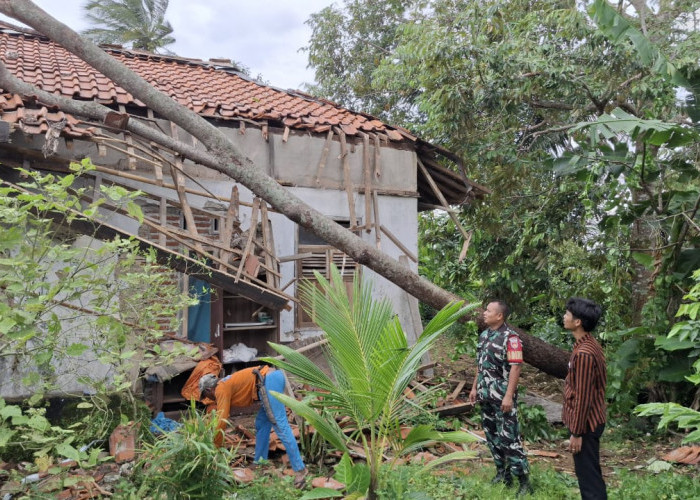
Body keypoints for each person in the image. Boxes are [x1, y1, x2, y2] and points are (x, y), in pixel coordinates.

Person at [199, 366, 308, 487]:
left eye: (205, 396)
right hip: (269, 380)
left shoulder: (220, 389)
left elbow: (222, 419)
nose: (208, 399)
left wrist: (216, 445)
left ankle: (300, 470)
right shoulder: (224, 384)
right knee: (261, 423)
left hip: (269, 380)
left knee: (280, 425)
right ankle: (260, 462)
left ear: (208, 390)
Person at [469, 300, 532, 496]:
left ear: (500, 316)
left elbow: (516, 367)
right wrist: (474, 388)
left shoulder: (511, 339)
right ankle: (502, 474)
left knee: (509, 438)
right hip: (485, 394)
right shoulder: (484, 335)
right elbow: (480, 365)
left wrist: (508, 396)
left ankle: (523, 481)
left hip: (502, 397)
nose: (484, 313)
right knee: (492, 436)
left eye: (488, 310)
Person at [562, 298, 607, 500]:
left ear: (578, 321)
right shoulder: (587, 345)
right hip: (589, 422)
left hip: (587, 425)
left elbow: (583, 397)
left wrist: (576, 433)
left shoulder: (584, 354)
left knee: (588, 476)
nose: (564, 316)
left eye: (568, 314)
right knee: (589, 472)